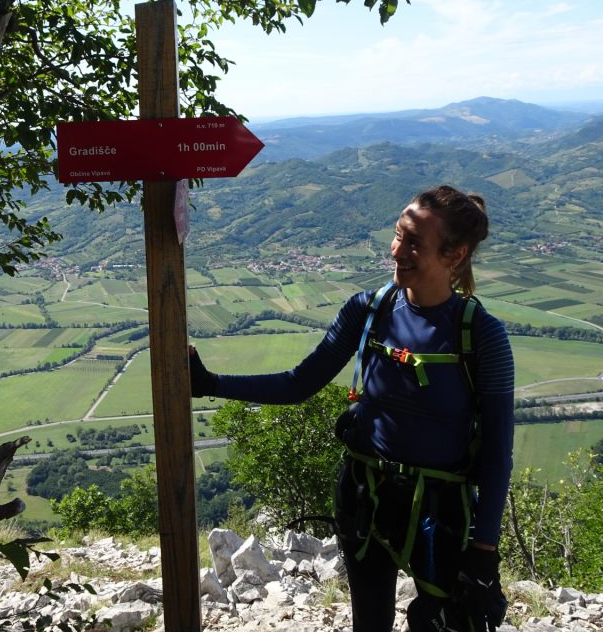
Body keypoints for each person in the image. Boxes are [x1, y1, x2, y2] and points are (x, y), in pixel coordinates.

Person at [189, 185, 514, 632]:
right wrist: (210, 385)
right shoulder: (368, 310)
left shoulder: (481, 335)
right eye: (399, 234)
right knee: (369, 622)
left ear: (455, 254)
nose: (398, 249)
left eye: (415, 242)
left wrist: (484, 549)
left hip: (439, 511)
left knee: (445, 623)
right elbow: (300, 382)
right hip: (364, 496)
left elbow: (497, 448)